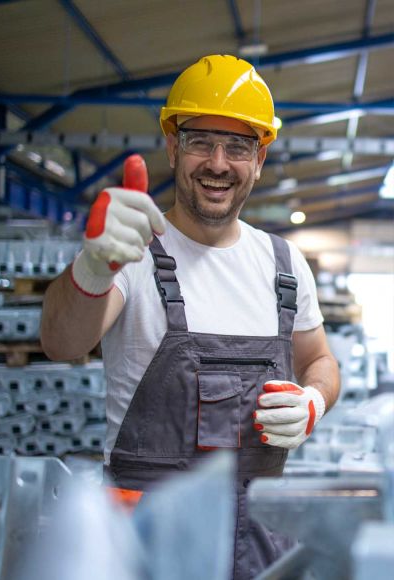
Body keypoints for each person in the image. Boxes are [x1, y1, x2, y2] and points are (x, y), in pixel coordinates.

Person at [41, 54, 340, 579]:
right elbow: (61, 344)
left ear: (260, 157)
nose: (218, 163)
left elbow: (319, 359)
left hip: (261, 545)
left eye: (238, 147)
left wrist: (314, 401)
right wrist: (92, 268)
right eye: (201, 140)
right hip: (148, 545)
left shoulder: (284, 264)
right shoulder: (131, 251)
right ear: (173, 145)